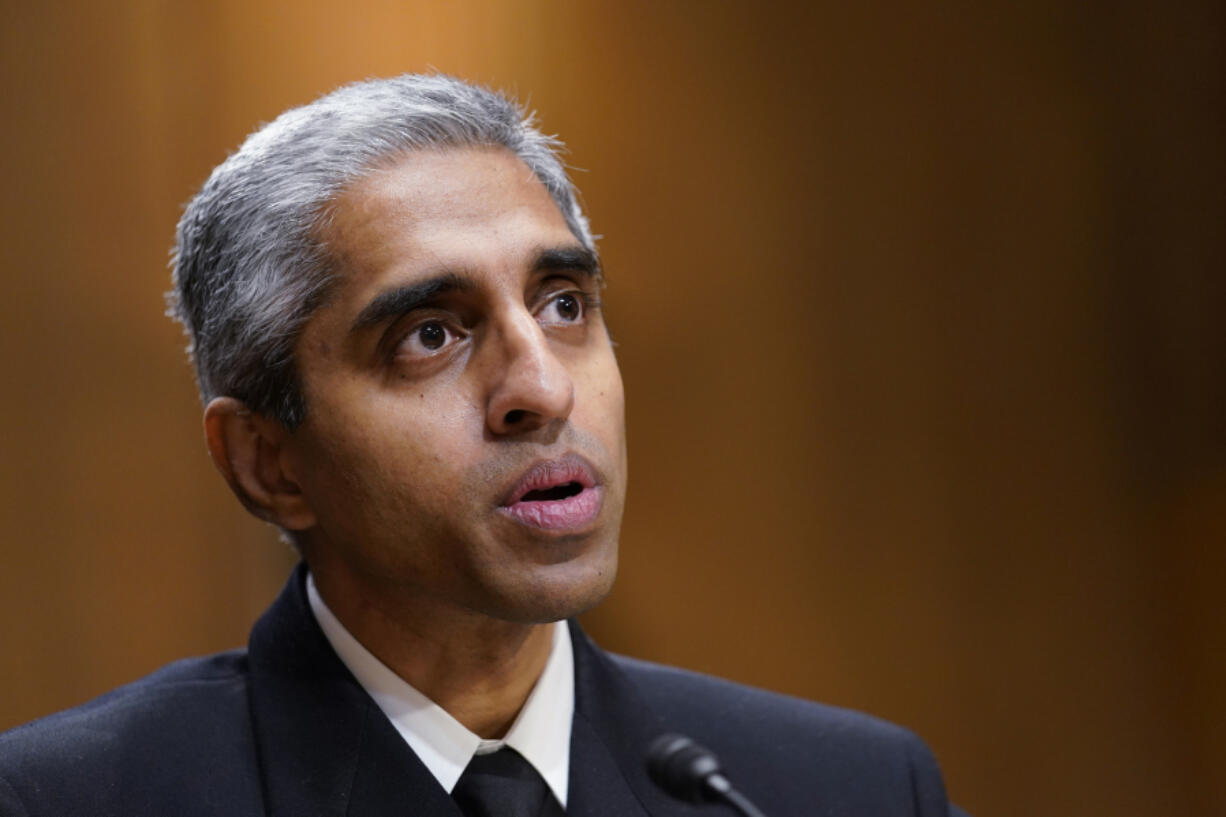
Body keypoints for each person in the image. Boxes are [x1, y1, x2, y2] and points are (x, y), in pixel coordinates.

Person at [0, 74, 967, 817]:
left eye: (563, 305)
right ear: (268, 460)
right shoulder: (65, 799)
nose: (542, 388)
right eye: (431, 334)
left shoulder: (845, 787)